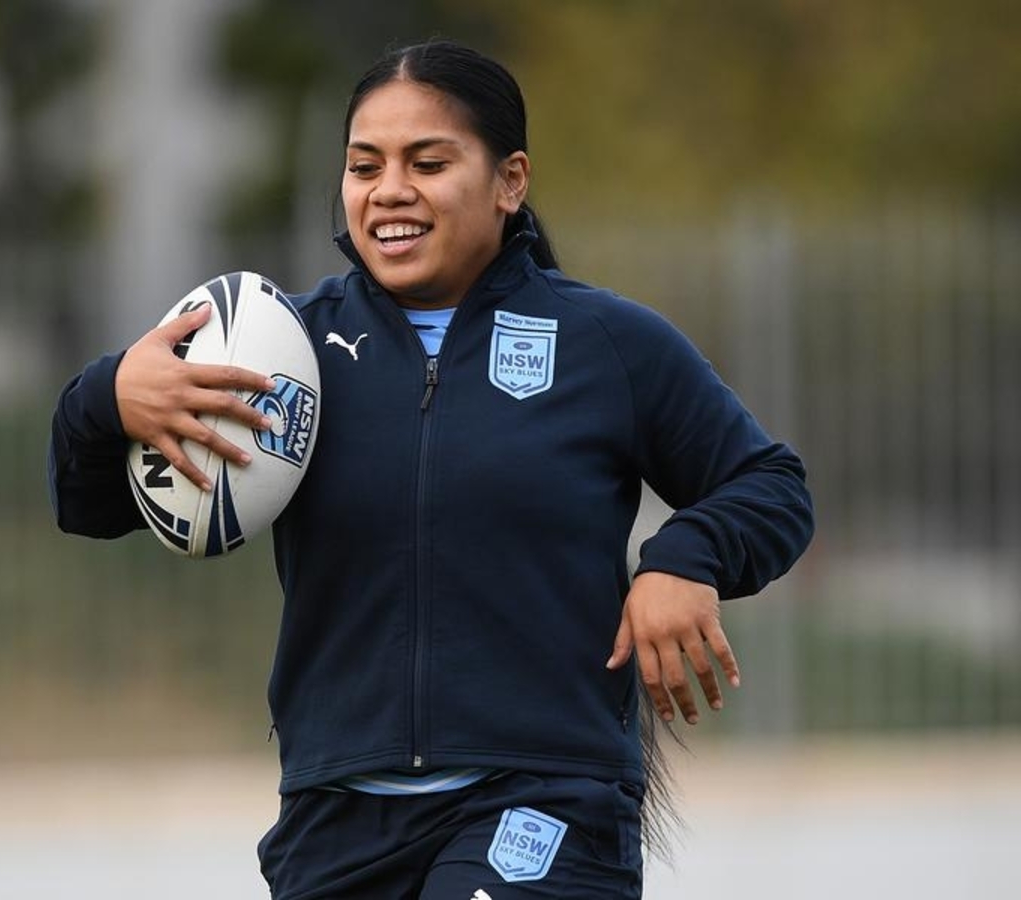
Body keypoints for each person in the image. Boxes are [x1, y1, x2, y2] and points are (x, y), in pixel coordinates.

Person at [48, 39, 814, 899]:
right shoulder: (282, 354)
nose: (389, 190)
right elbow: (88, 502)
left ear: (510, 181)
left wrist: (684, 559)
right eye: (364, 165)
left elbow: (770, 485)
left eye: (428, 162)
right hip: (334, 819)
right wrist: (109, 398)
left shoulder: (607, 344)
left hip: (543, 801)